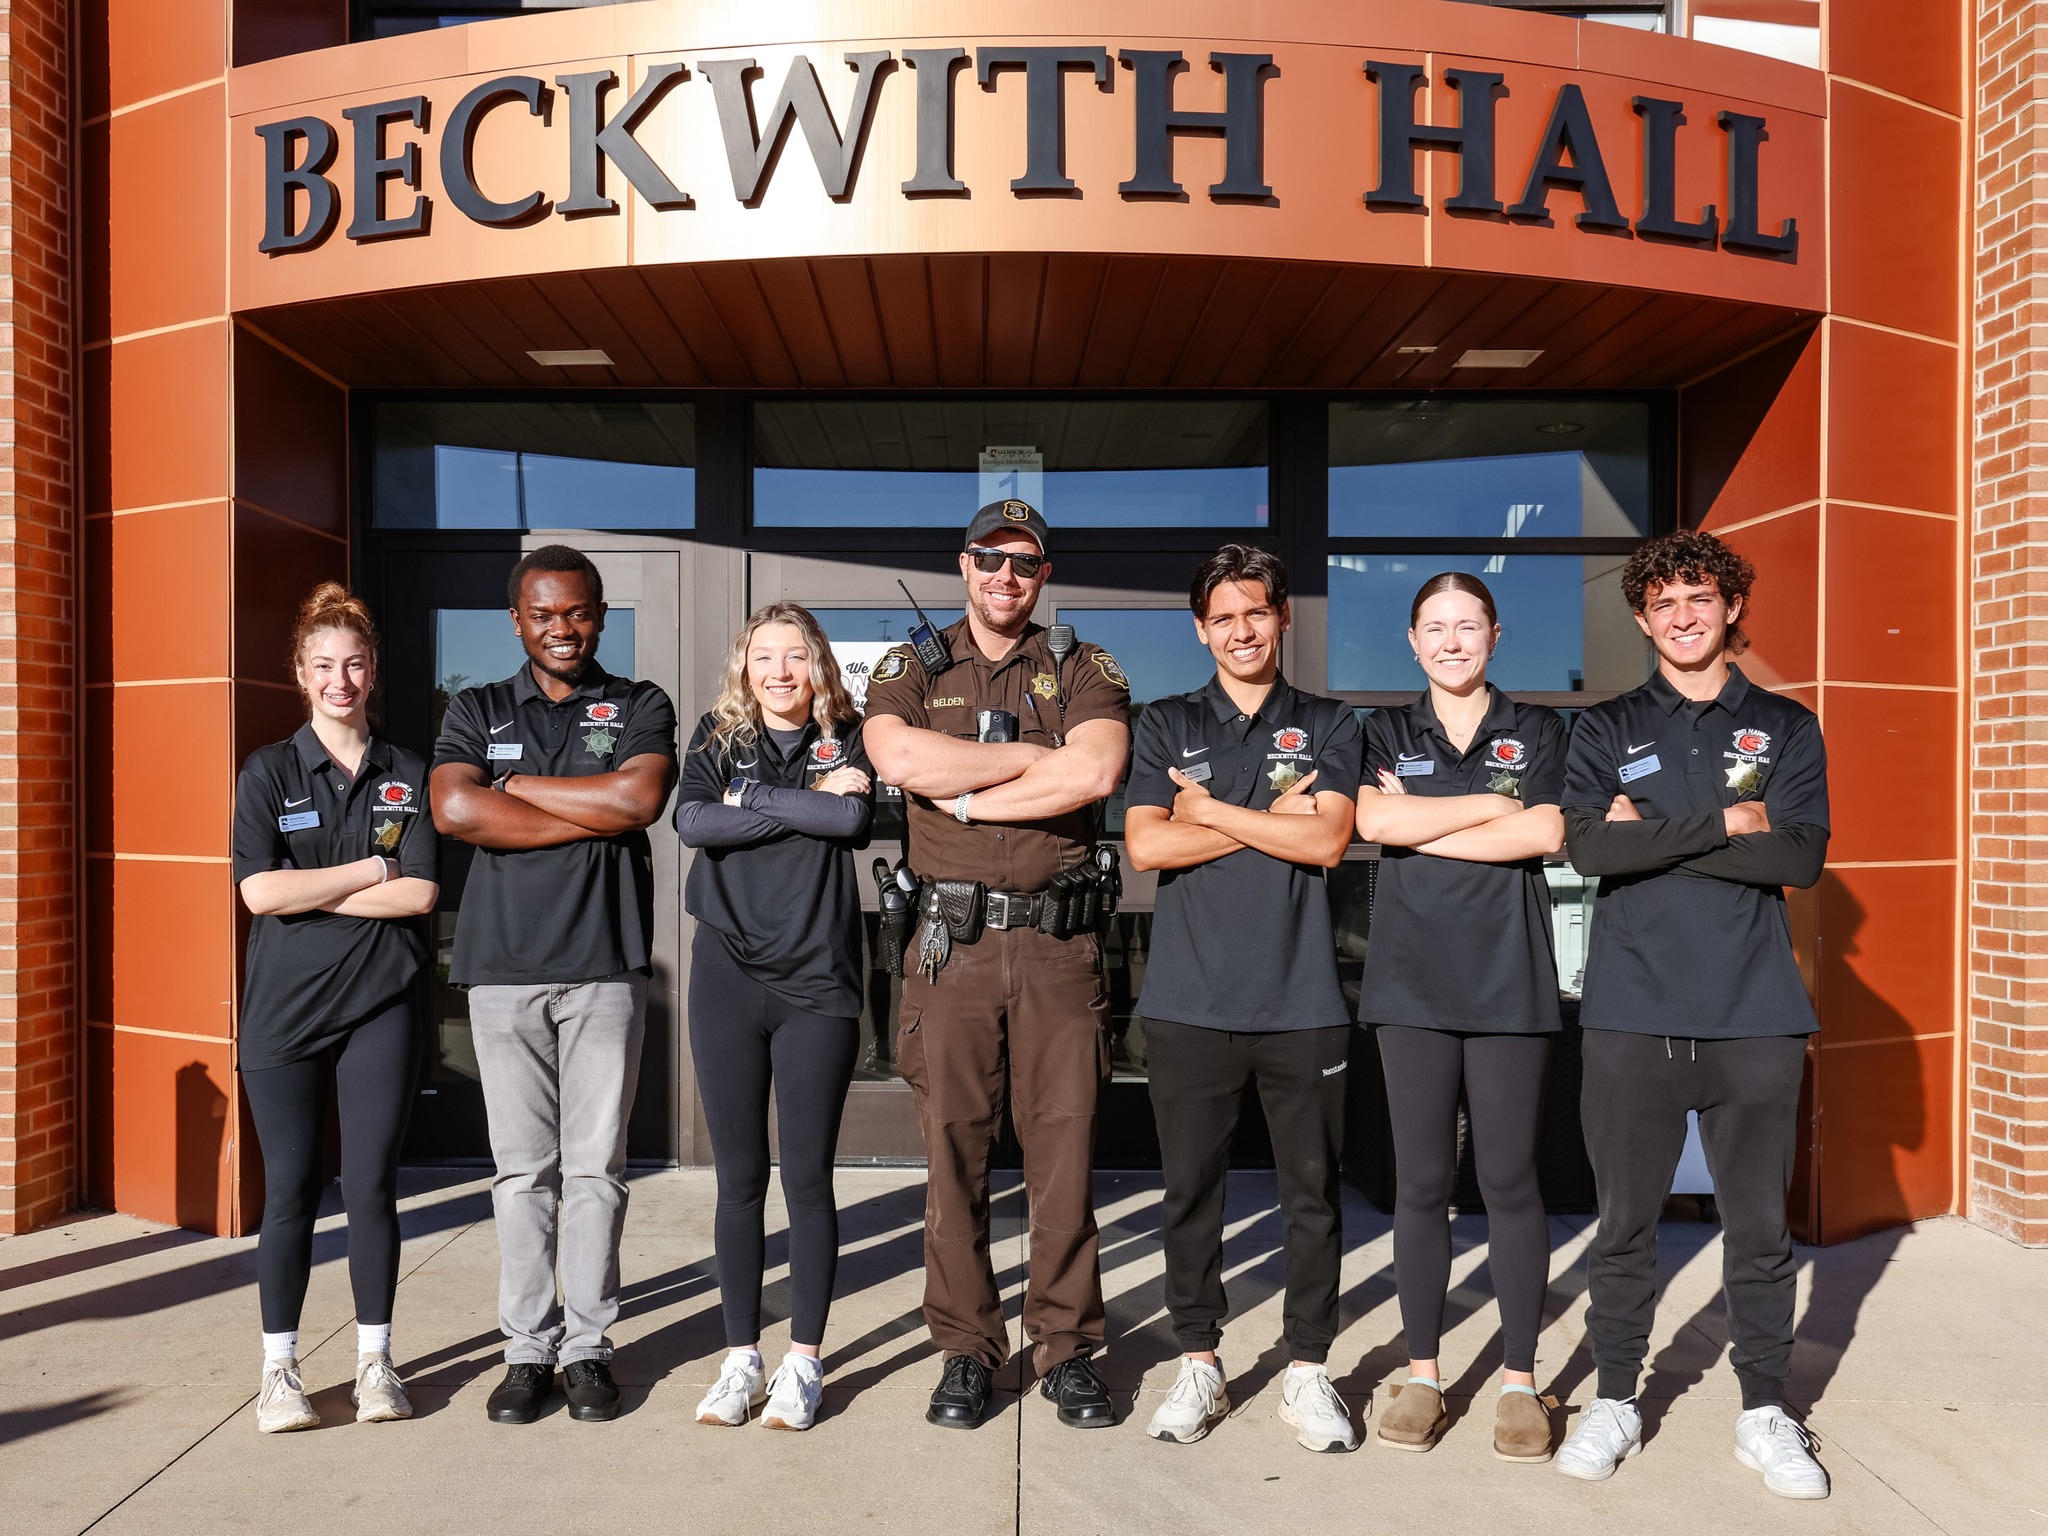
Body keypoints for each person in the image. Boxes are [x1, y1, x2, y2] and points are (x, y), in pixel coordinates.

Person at [1555, 529, 1831, 1499]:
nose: (1682, 616)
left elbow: (1797, 858)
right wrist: (1725, 824)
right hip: (1631, 1012)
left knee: (1757, 1230)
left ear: (1730, 607)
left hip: (1754, 1013)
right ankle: (1614, 1399)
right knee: (1624, 1226)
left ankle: (1765, 1412)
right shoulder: (1606, 726)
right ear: (1642, 618)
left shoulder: (1786, 726)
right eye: (1663, 602)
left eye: (1699, 598)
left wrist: (1653, 838)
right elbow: (1590, 850)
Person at [861, 498, 1131, 1432]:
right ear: (964, 565)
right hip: (953, 945)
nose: (1005, 576)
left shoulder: (1083, 665)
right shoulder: (912, 668)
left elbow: (1093, 773)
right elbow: (899, 756)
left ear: (1044, 574)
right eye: (990, 558)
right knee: (952, 1156)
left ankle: (1066, 1349)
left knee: (1064, 1156)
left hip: (1060, 946)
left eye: (1024, 561)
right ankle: (967, 1350)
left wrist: (968, 792)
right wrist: (1029, 761)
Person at [1122, 545, 1364, 1453]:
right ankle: (1199, 1361)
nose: (1241, 630)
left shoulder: (1331, 724)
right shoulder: (1164, 723)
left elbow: (1328, 843)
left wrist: (1209, 813)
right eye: (1223, 617)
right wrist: (1269, 821)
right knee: (1191, 1193)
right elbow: (1147, 848)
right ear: (1201, 629)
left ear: (1283, 616)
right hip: (1190, 1002)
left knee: (1313, 1196)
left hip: (1303, 1001)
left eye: (1256, 611)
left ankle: (1308, 1369)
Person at [430, 544, 678, 1426]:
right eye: (543, 615)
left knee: (595, 1171)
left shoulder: (641, 703)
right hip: (502, 973)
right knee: (522, 1173)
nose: (561, 629)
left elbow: (637, 804)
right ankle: (526, 1351)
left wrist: (519, 790)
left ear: (599, 616)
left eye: (576, 612)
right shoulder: (476, 707)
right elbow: (454, 808)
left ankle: (587, 1349)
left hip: (605, 967)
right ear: (517, 622)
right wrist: (588, 807)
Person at [1352, 572, 1567, 1462]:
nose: (1451, 641)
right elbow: (1373, 822)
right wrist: (1489, 807)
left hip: (1510, 982)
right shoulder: (1383, 731)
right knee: (1422, 1182)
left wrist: (1423, 822)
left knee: (1510, 1179)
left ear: (1495, 635)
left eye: (1467, 626)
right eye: (1434, 627)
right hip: (1410, 987)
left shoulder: (1539, 729)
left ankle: (1519, 1381)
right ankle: (1424, 1374)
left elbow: (1546, 832)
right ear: (1412, 641)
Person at [232, 583, 439, 1433]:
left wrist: (309, 889)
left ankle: (374, 1364)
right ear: (300, 673)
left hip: (379, 1004)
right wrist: (367, 872)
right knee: (289, 1190)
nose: (339, 680)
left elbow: (420, 894)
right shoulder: (268, 771)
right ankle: (279, 1371)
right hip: (282, 1014)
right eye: (323, 666)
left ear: (373, 670)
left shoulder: (406, 773)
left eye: (353, 664)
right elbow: (258, 892)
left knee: (372, 1185)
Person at [674, 603, 875, 1432]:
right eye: (765, 657)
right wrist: (801, 798)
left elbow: (850, 818)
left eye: (795, 656)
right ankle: (740, 1359)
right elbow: (692, 821)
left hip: (816, 984)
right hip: (726, 977)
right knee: (738, 1179)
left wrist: (753, 800)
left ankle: (803, 1362)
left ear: (818, 664)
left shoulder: (850, 736)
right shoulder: (717, 738)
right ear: (745, 666)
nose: (780, 671)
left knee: (807, 1178)